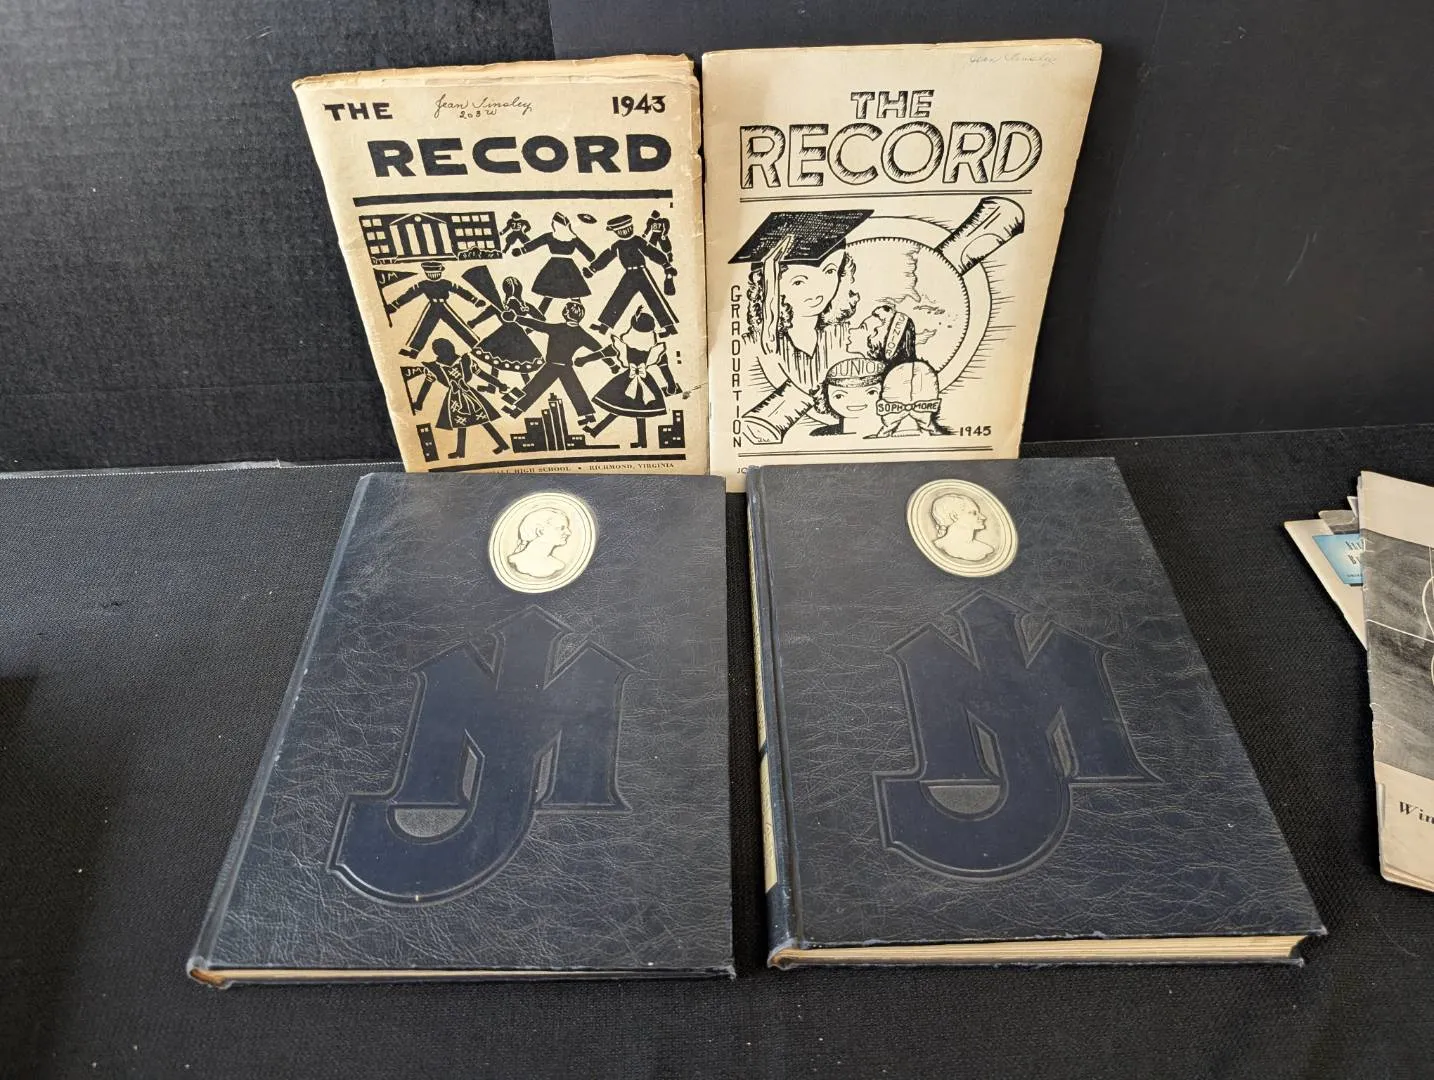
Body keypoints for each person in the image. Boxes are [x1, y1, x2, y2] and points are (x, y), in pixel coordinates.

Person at [728, 210, 870, 443]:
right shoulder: (755, 346)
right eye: (799, 281)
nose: (818, 290)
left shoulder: (848, 337)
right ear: (771, 287)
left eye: (830, 271)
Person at [502, 300, 608, 429]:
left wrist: (516, 318)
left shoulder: (557, 328)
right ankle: (588, 416)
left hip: (552, 366)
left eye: (565, 309)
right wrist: (611, 363)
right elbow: (598, 348)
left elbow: (537, 325)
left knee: (535, 387)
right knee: (575, 390)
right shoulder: (581, 334)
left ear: (566, 313)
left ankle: (517, 410)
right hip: (564, 367)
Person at [587, 311, 678, 448]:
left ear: (631, 328)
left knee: (626, 410)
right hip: (636, 382)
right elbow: (665, 369)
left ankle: (638, 441)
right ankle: (598, 431)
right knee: (627, 410)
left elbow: (603, 353)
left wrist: (584, 359)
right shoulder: (655, 351)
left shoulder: (625, 346)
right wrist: (671, 386)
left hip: (636, 383)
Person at [409, 338, 508, 458]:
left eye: (447, 348)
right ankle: (461, 451)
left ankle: (502, 444)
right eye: (440, 350)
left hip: (470, 396)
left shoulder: (466, 361)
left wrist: (499, 384)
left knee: (482, 420)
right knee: (461, 422)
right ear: (436, 352)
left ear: (452, 348)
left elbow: (482, 374)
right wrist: (419, 403)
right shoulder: (434, 368)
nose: (445, 352)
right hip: (455, 398)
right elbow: (427, 385)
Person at [583, 214, 678, 335]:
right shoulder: (617, 245)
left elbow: (652, 252)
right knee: (618, 299)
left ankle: (670, 328)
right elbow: (606, 257)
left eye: (625, 229)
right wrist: (592, 269)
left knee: (655, 299)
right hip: (629, 275)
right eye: (620, 230)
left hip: (642, 273)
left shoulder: (638, 241)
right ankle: (604, 327)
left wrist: (666, 264)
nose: (624, 232)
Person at [385, 261, 490, 359]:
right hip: (432, 306)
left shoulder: (446, 283)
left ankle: (477, 346)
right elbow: (409, 295)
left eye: (435, 272)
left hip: (443, 306)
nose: (433, 275)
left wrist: (475, 300)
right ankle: (414, 351)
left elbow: (460, 291)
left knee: (459, 326)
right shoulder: (423, 284)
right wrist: (395, 305)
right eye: (430, 272)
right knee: (424, 327)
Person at [515, 212, 596, 314]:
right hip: (568, 267)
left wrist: (522, 250)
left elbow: (535, 244)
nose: (553, 225)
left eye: (554, 223)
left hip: (555, 266)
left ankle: (540, 316)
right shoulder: (571, 238)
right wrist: (522, 250)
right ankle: (542, 316)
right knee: (572, 294)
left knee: (551, 293)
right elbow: (590, 254)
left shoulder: (557, 237)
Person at [474, 276, 544, 377]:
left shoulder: (500, 305)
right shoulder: (524, 306)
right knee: (521, 360)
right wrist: (528, 330)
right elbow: (541, 319)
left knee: (496, 358)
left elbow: (487, 313)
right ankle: (527, 383)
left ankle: (493, 383)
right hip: (517, 335)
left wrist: (474, 322)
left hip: (505, 335)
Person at [810, 357, 885, 437]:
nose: (855, 401)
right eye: (839, 396)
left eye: (871, 392)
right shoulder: (820, 434)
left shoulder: (890, 435)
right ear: (825, 396)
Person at [507, 507, 572, 579]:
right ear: (540, 531)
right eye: (561, 528)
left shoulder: (559, 565)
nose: (568, 533)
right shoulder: (515, 561)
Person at [930, 493, 995, 563]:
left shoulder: (986, 548)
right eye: (974, 513)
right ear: (954, 516)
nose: (983, 517)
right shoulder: (940, 546)